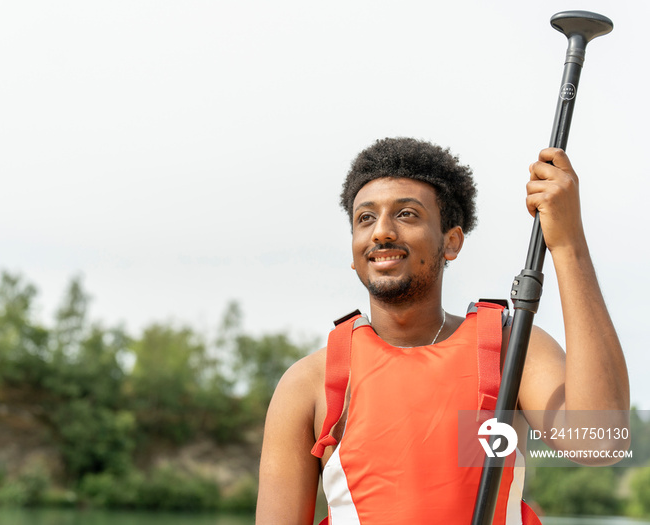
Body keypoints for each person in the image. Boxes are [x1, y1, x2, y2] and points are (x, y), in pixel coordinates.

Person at [255, 137, 630, 524]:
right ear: (354, 251)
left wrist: (568, 244)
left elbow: (600, 439)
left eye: (406, 214)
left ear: (451, 242)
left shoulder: (509, 349)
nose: (381, 231)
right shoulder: (309, 384)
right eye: (365, 218)